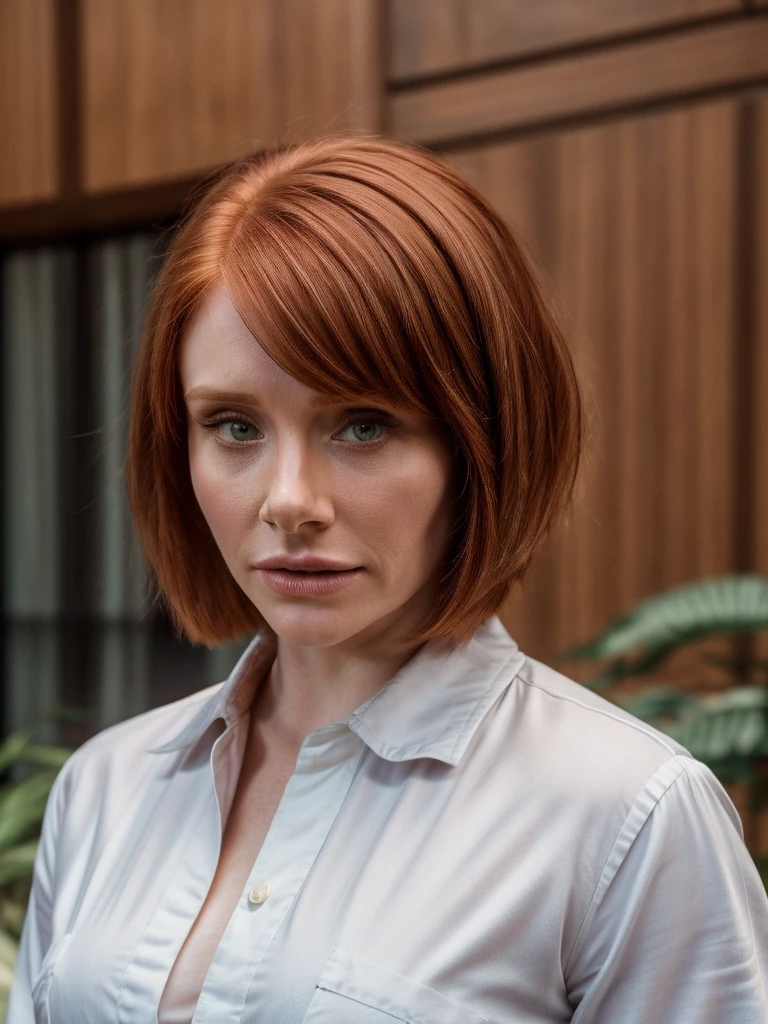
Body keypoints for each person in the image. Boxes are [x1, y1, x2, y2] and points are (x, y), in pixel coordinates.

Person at [8, 135, 768, 1024]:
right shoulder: (103, 786)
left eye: (363, 425)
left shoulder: (629, 819)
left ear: (479, 444)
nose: (290, 502)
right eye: (234, 426)